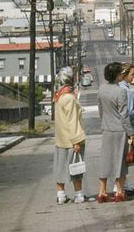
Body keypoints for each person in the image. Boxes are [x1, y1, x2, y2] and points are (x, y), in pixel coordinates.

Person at [97, 62, 134, 203]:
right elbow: (124, 115)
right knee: (120, 162)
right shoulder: (121, 92)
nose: (121, 75)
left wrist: (104, 122)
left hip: (107, 129)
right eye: (120, 73)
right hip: (120, 131)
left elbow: (100, 110)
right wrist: (130, 133)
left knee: (105, 161)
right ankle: (119, 191)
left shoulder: (101, 89)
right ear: (117, 75)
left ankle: (102, 192)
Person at [53, 67, 86, 205]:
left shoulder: (59, 96)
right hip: (72, 139)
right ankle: (79, 195)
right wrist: (76, 141)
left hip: (61, 139)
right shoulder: (69, 98)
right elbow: (72, 121)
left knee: (60, 167)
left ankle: (61, 195)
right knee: (76, 168)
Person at [114, 63, 134, 197]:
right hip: (128, 128)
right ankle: (122, 187)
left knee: (122, 158)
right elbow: (128, 113)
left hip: (119, 128)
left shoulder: (118, 88)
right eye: (132, 74)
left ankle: (122, 185)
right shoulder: (125, 90)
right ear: (124, 75)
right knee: (127, 157)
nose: (133, 77)